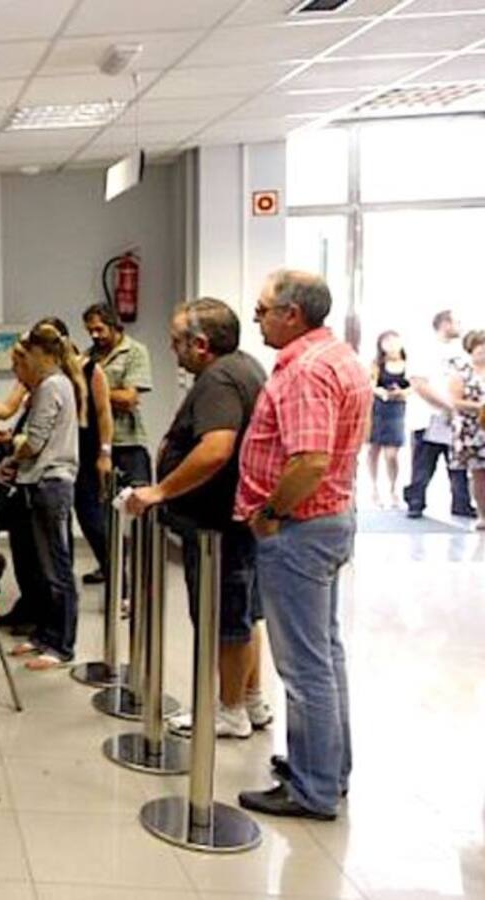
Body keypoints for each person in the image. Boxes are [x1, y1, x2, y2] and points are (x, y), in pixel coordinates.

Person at [234, 270, 372, 821]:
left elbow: (310, 461)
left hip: (300, 529)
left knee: (304, 665)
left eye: (262, 310)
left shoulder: (306, 371)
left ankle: (313, 789)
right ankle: (328, 770)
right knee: (326, 654)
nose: (257, 319)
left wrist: (270, 512)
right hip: (329, 521)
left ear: (292, 314)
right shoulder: (338, 356)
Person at [124, 298, 271, 739]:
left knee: (224, 620)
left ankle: (230, 710)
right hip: (235, 521)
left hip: (216, 525)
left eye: (177, 342)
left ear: (201, 344)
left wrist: (160, 491)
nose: (173, 349)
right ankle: (249, 699)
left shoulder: (219, 380)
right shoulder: (245, 366)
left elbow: (215, 448)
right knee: (244, 615)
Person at [0, 317, 113, 623]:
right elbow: (16, 420)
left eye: (18, 365)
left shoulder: (56, 384)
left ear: (37, 355)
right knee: (35, 552)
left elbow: (34, 441)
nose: (16, 373)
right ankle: (38, 617)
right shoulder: (47, 384)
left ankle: (57, 632)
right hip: (39, 474)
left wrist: (105, 452)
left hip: (56, 473)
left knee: (60, 556)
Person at [0, 327, 81, 670]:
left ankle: (61, 645)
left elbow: (33, 443)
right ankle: (45, 635)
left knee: (56, 569)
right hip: (43, 482)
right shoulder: (57, 384)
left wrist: (15, 446)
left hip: (50, 483)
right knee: (44, 568)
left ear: (40, 353)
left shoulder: (50, 387)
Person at [403, 310, 477, 520]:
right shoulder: (424, 349)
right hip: (428, 416)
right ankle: (416, 501)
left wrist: (460, 407)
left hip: (457, 418)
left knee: (458, 463)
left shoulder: (461, 351)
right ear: (445, 324)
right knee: (424, 462)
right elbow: (419, 384)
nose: (460, 326)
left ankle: (461, 503)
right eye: (456, 321)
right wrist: (446, 405)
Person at [83, 302, 154, 488]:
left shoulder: (134, 351)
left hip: (127, 441)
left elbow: (128, 399)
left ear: (113, 325)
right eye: (90, 331)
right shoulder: (87, 357)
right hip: (95, 440)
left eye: (99, 329)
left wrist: (96, 392)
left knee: (134, 495)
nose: (94, 335)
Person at [365, 330, 409, 508]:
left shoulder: (407, 363)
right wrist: (382, 392)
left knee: (392, 453)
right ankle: (374, 488)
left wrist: (402, 393)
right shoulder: (377, 364)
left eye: (394, 341)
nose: (391, 345)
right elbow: (371, 384)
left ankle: (393, 488)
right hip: (377, 408)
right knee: (373, 449)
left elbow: (414, 386)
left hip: (397, 409)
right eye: (386, 342)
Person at [449, 330, 485, 530]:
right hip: (472, 429)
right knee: (478, 474)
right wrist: (479, 407)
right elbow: (455, 401)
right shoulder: (462, 372)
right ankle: (482, 514)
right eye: (480, 348)